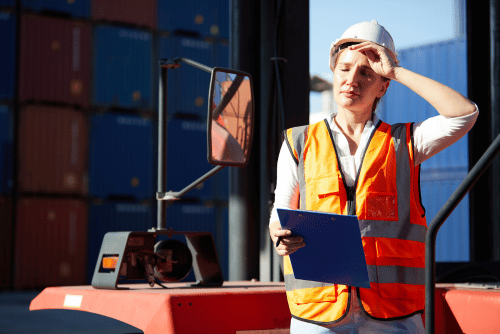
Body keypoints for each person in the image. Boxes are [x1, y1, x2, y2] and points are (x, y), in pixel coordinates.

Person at [268, 20, 478, 333]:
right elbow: (280, 211)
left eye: (366, 72)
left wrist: (396, 70)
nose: (351, 80)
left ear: (383, 86)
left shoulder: (406, 142)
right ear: (333, 72)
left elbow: (463, 114)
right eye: (344, 69)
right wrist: (278, 235)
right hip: (319, 310)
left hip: (394, 313)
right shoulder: (299, 143)